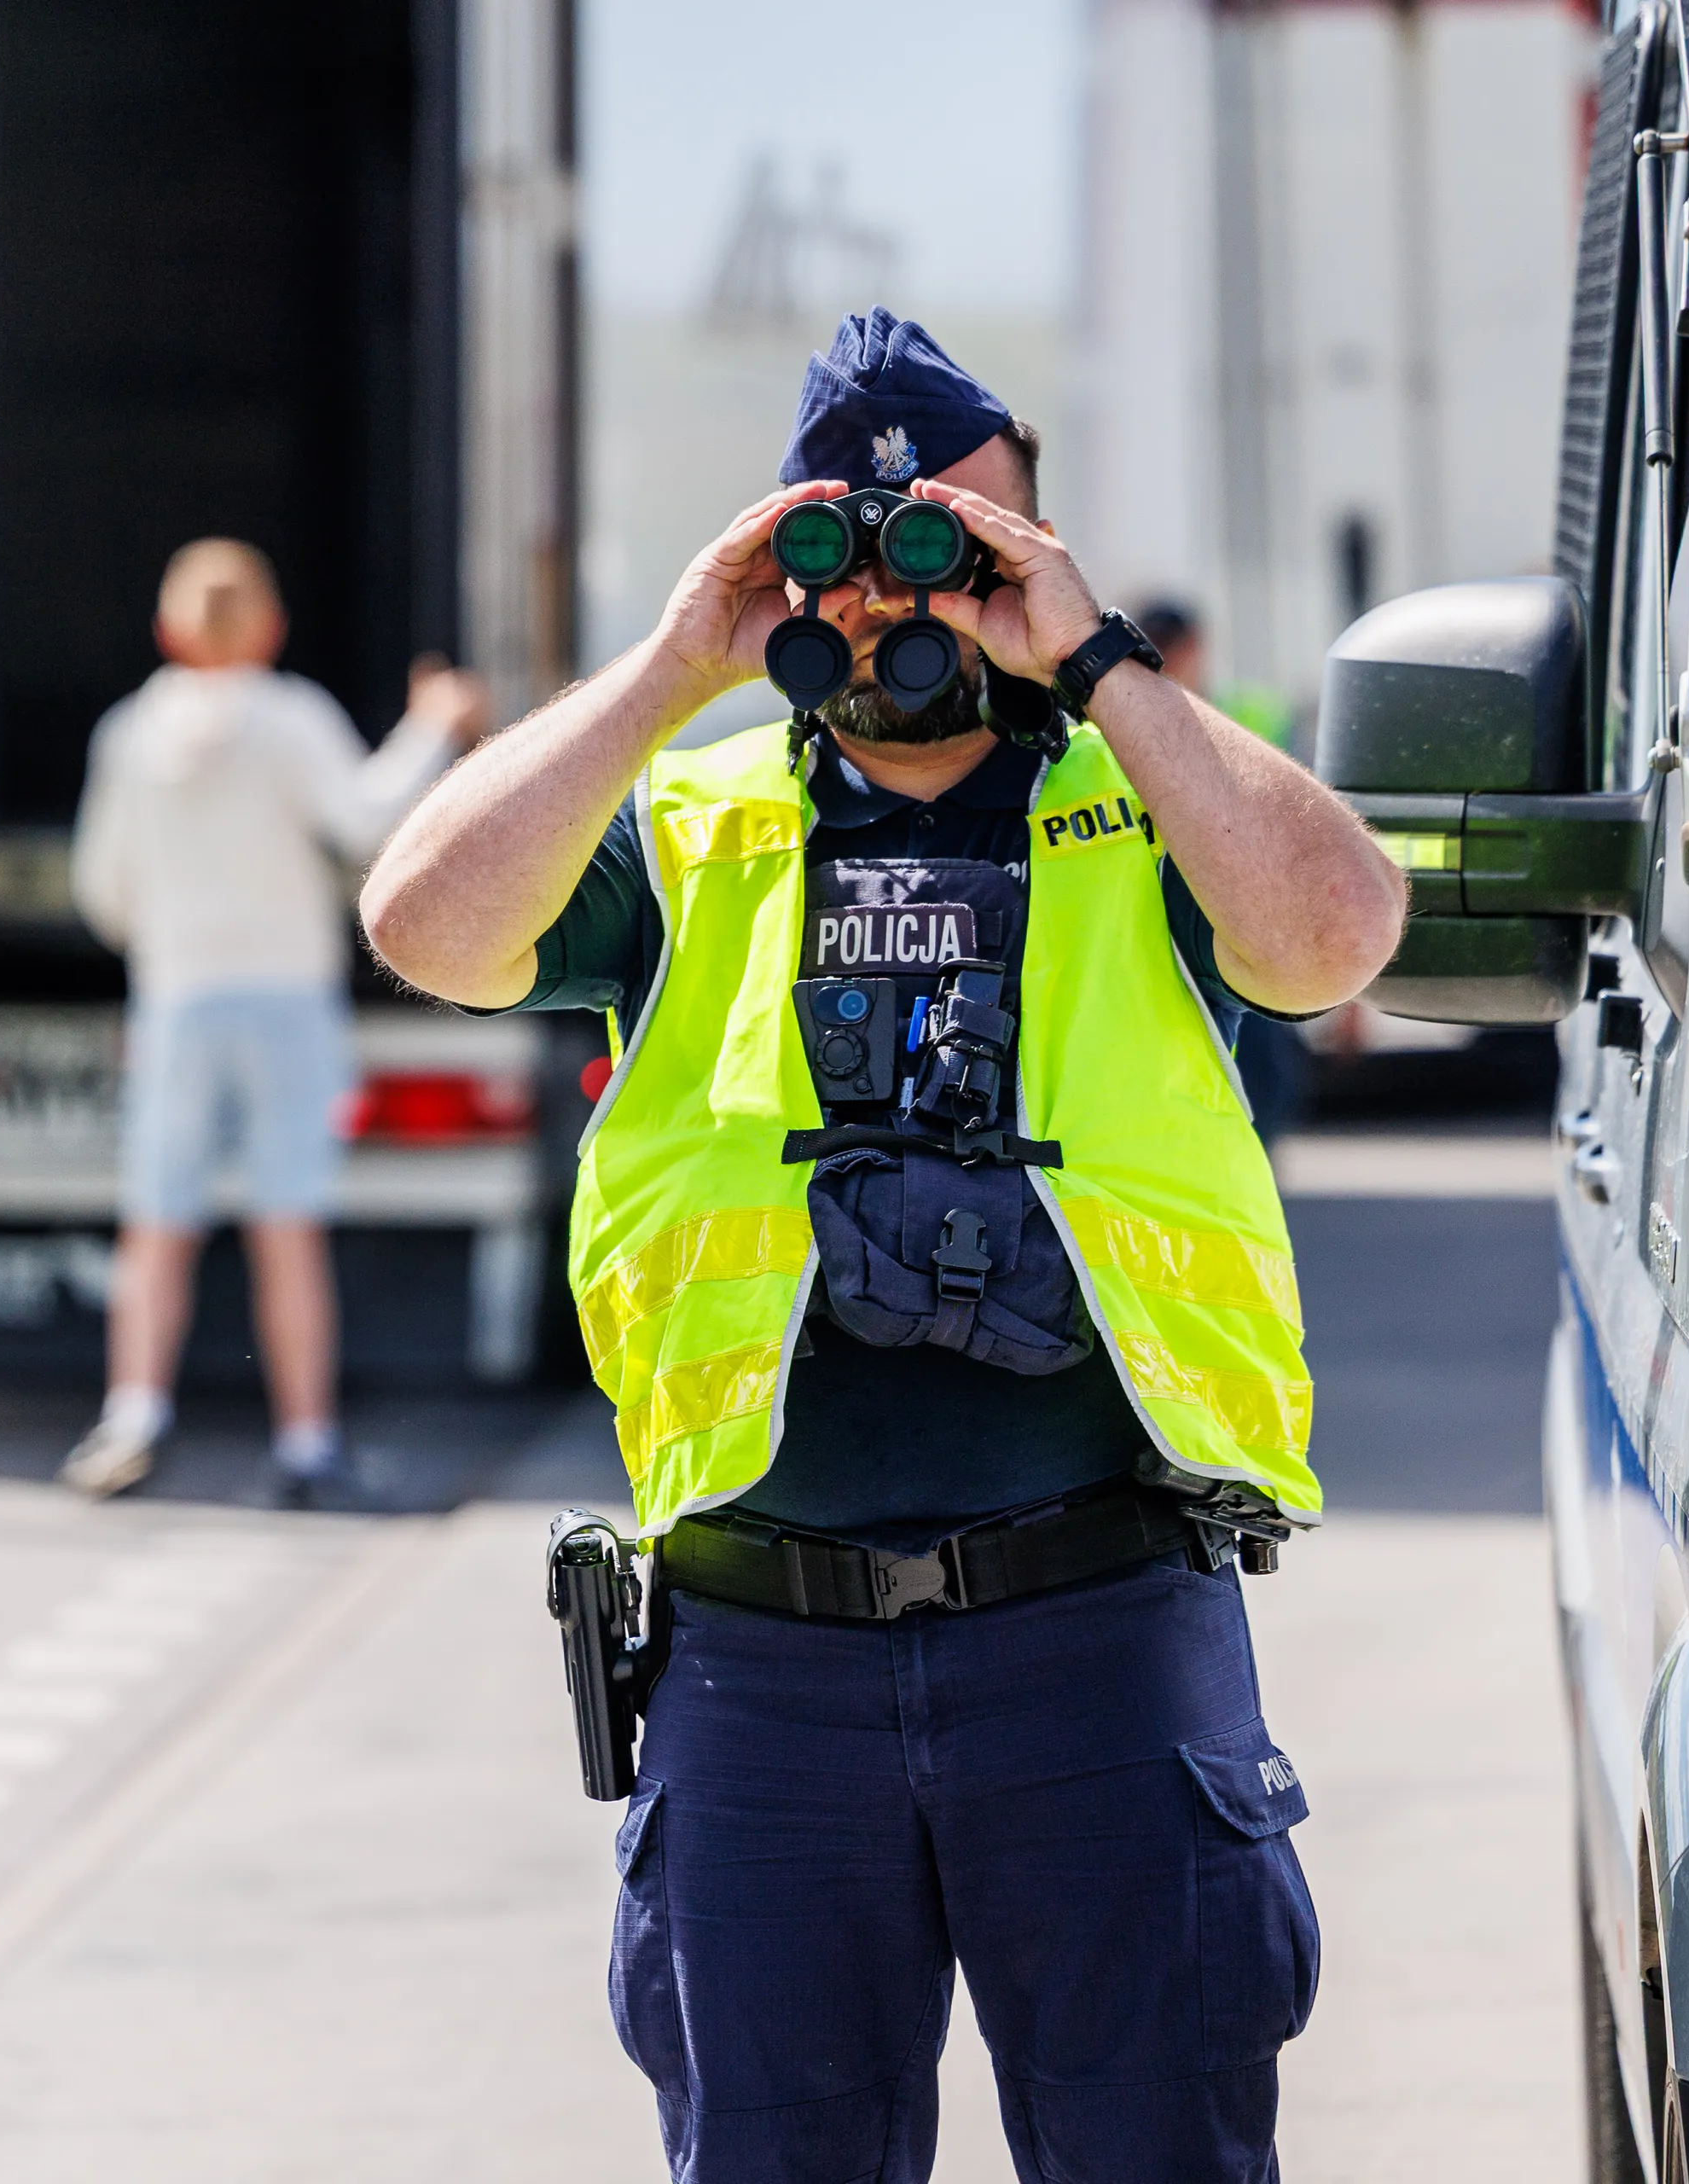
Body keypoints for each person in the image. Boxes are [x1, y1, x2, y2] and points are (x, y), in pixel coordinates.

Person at [360, 311, 1403, 2181]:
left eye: (968, 540)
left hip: (1100, 1627)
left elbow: (1334, 939)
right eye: (852, 546)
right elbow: (425, 921)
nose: (897, 591)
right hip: (762, 1658)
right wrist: (679, 656)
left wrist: (1094, 657)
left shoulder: (1145, 799)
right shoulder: (689, 825)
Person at [59, 539, 489, 1507]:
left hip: (177, 993)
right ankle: (305, 1439)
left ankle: (133, 1412)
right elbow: (369, 819)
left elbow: (102, 888)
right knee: (285, 1224)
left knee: (157, 1225)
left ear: (167, 628)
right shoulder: (291, 718)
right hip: (288, 995)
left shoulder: (131, 731)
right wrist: (431, 726)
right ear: (270, 625)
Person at [1135, 598, 1315, 1143]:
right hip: (1188, 930)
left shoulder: (1247, 718)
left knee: (1258, 1078)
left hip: (1243, 926)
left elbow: (1306, 840)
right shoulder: (1119, 723)